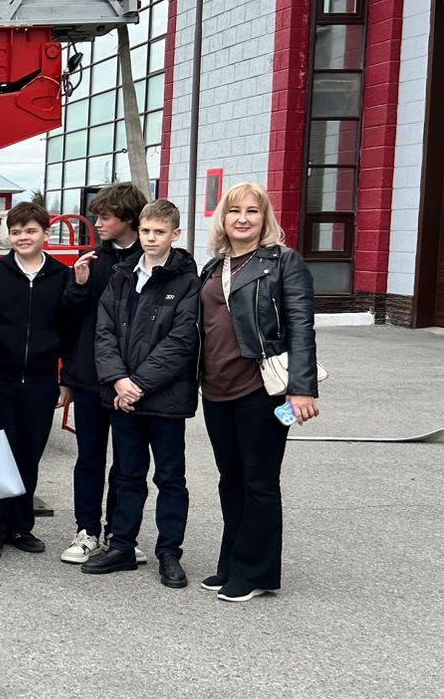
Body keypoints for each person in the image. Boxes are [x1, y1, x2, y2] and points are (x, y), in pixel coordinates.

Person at [197, 183, 319, 603]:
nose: (243, 218)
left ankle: (256, 572)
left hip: (261, 390)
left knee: (260, 481)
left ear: (265, 218)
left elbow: (301, 327)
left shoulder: (284, 262)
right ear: (223, 218)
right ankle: (232, 562)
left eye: (253, 210)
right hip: (216, 389)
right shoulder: (214, 266)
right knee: (230, 479)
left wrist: (301, 389)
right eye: (235, 211)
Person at [82, 198, 200, 589]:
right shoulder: (121, 276)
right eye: (146, 231)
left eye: (159, 232)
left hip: (164, 400)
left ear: (175, 234)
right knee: (127, 475)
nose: (151, 238)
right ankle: (122, 546)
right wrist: (118, 380)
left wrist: (139, 384)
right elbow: (104, 333)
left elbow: (181, 341)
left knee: (170, 479)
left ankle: (169, 553)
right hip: (123, 398)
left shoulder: (187, 282)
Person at [0, 202, 75, 560]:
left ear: (45, 233)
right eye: (16, 232)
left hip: (42, 380)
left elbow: (69, 331)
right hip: (0, 380)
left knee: (29, 454)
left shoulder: (61, 276)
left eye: (30, 231)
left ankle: (20, 526)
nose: (23, 237)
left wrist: (66, 379)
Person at [59, 182, 149, 565]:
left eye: (106, 217)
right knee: (89, 457)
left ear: (128, 218)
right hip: (88, 377)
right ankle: (87, 531)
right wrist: (78, 287)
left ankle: (120, 535)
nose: (98, 223)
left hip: (133, 381)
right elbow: (70, 322)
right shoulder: (92, 260)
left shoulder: (150, 260)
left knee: (129, 463)